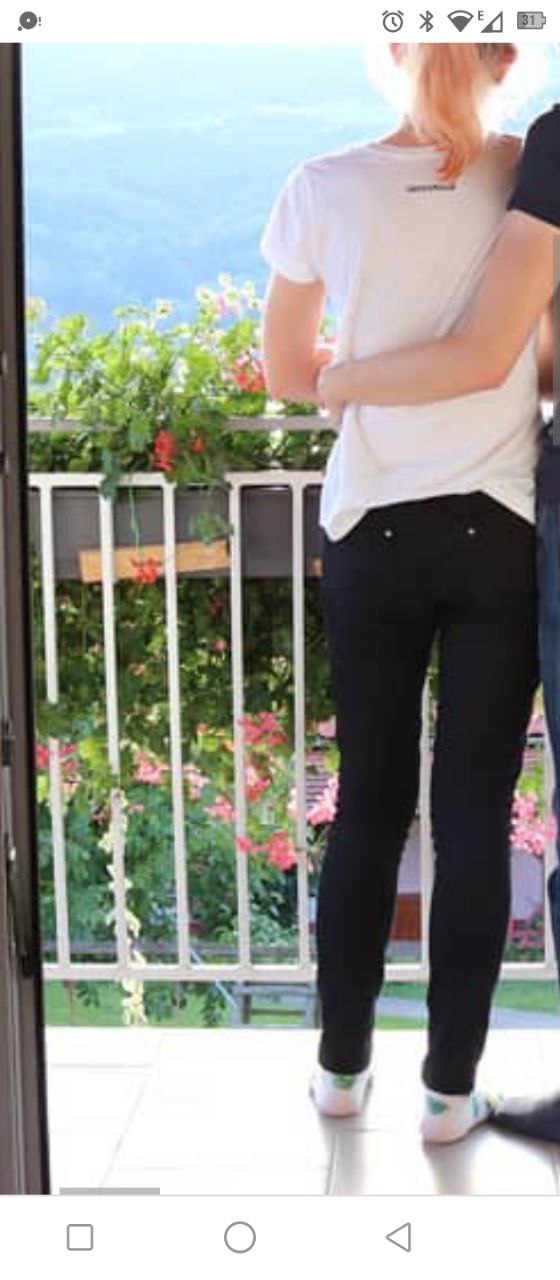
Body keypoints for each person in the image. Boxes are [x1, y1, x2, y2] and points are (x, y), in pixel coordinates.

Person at [259, 42, 542, 1145]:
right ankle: (448, 1094)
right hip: (498, 527)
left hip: (371, 524)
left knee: (370, 803)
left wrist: (356, 363)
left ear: (388, 52)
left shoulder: (321, 184)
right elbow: (538, 357)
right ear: (505, 56)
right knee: (472, 814)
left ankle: (340, 1073)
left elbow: (288, 371)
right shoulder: (525, 172)